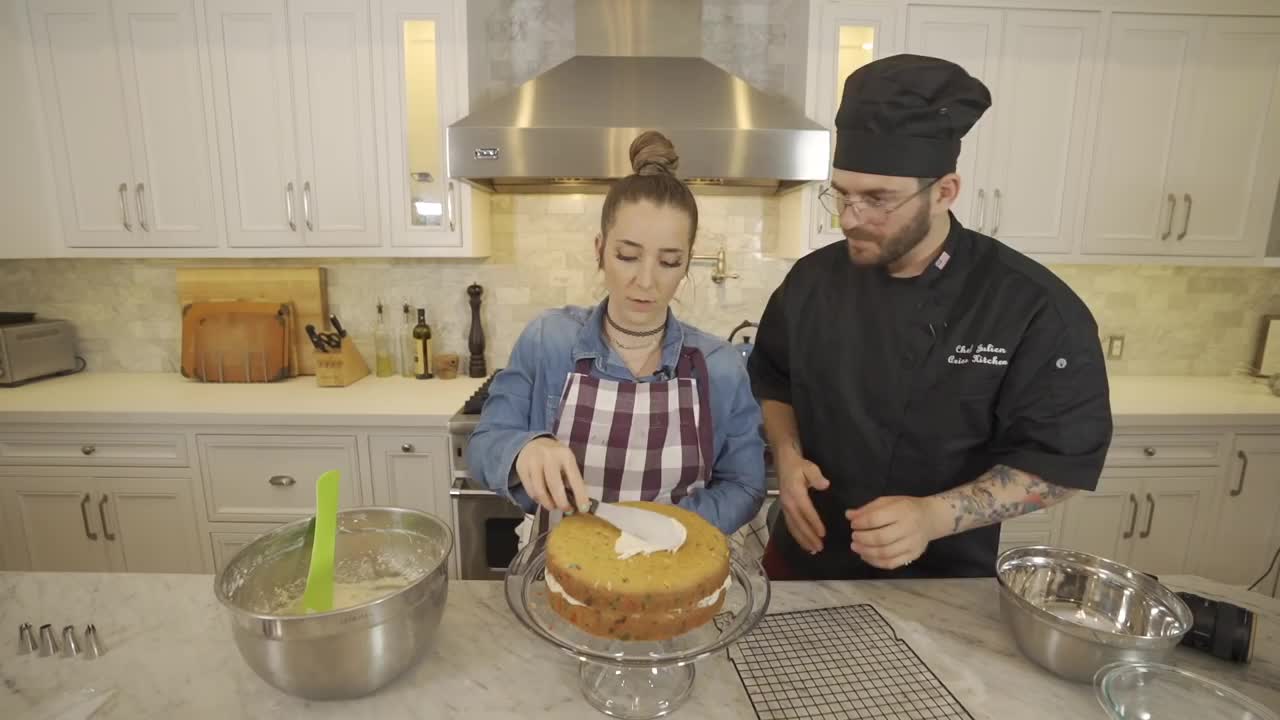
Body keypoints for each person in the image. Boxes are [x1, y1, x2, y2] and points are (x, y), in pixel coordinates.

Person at [748, 54, 1113, 580]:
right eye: (843, 194)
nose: (851, 218)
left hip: (942, 577)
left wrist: (932, 516)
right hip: (805, 562)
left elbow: (1061, 465)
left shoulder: (1030, 307)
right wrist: (786, 454)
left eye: (878, 200)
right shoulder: (809, 282)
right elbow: (773, 380)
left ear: (944, 192)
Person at [466, 130, 766, 537]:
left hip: (674, 570)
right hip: (564, 566)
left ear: (688, 262)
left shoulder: (719, 366)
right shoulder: (548, 340)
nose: (645, 281)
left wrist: (667, 529)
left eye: (669, 261)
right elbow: (485, 445)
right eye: (627, 255)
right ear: (599, 249)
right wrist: (522, 450)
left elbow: (745, 485)